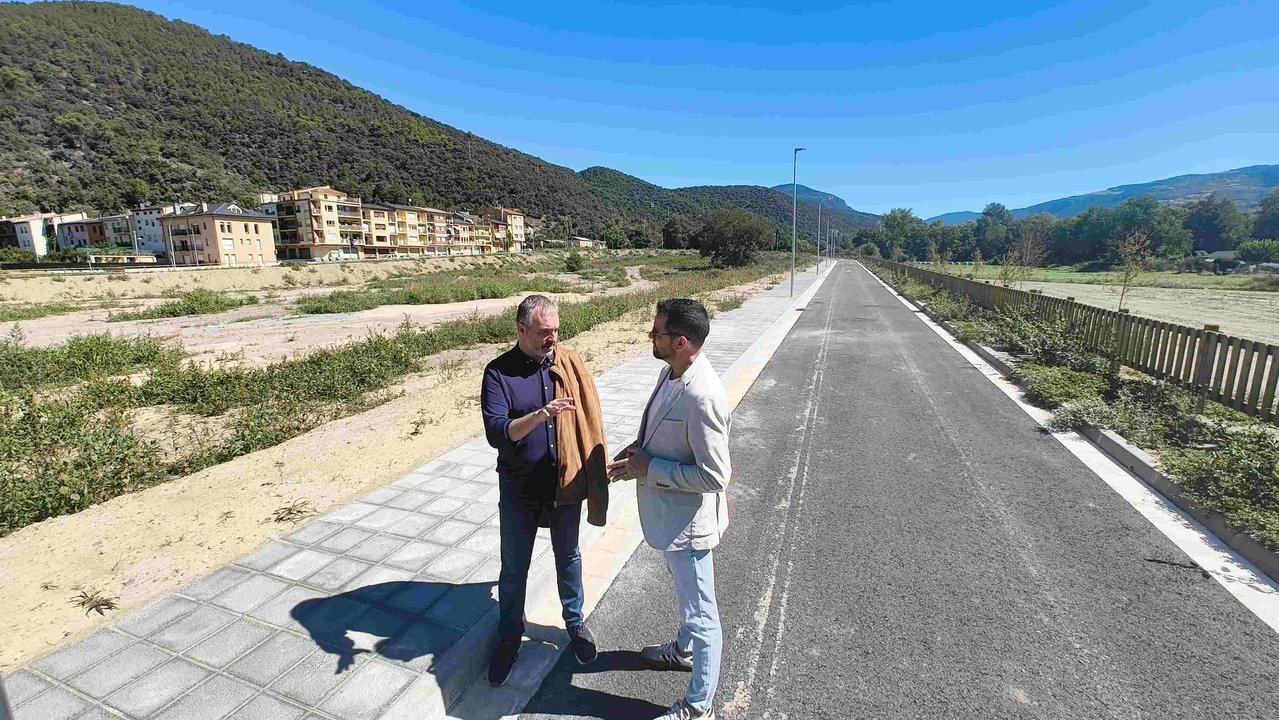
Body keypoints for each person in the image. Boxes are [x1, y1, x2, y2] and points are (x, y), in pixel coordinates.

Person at [607, 298, 731, 720]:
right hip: (670, 516)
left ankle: (699, 708)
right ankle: (682, 651)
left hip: (690, 523)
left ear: (681, 341)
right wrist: (635, 456)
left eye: (657, 332)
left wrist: (650, 468)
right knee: (688, 597)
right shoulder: (670, 372)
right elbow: (658, 432)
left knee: (703, 615)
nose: (651, 337)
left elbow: (715, 477)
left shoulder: (703, 396)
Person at [481, 294, 609, 687]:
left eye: (556, 330)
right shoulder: (498, 373)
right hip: (520, 490)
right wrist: (541, 415)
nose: (553, 339)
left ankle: (575, 624)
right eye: (544, 332)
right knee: (514, 567)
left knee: (567, 556)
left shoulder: (568, 363)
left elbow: (588, 419)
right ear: (522, 330)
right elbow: (498, 433)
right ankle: (508, 638)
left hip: (564, 485)